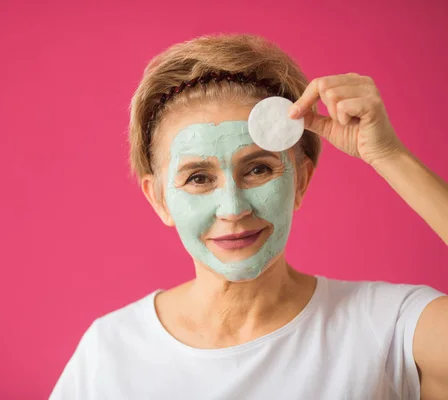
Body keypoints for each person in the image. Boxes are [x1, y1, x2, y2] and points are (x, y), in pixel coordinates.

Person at [50, 34, 448, 399]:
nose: (234, 208)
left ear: (301, 181)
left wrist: (389, 157)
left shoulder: (389, 329)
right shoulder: (110, 351)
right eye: (199, 178)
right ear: (160, 200)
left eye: (258, 169)